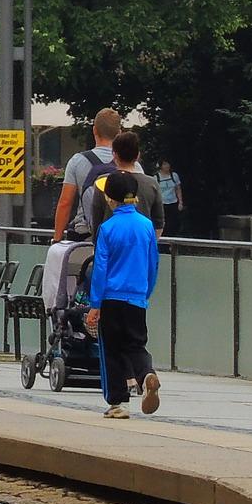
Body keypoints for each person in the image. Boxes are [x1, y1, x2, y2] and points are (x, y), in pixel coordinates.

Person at [87, 171, 163, 418]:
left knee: (111, 349)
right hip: (137, 297)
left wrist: (95, 304)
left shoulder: (107, 229)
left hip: (111, 297)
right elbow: (153, 263)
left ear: (110, 199)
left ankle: (119, 402)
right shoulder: (147, 226)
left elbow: (100, 268)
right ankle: (146, 374)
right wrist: (145, 291)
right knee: (136, 345)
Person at [53, 108, 130, 243]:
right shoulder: (131, 164)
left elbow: (65, 203)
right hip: (122, 237)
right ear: (119, 133)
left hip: (85, 236)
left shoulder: (77, 161)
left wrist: (57, 239)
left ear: (94, 130)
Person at [75, 130, 164, 238]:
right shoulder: (152, 184)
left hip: (111, 247)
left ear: (114, 154)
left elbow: (96, 221)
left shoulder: (102, 182)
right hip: (141, 248)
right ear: (138, 155)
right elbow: (159, 223)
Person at [155, 160, 184, 230]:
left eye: (168, 164)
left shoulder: (174, 175)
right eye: (164, 164)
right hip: (162, 203)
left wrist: (180, 202)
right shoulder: (156, 177)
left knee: (174, 222)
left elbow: (178, 189)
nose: (167, 166)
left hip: (173, 202)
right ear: (161, 166)